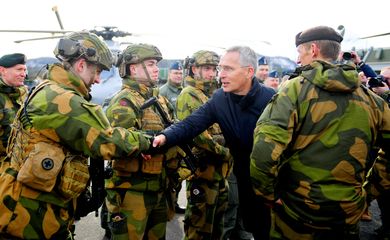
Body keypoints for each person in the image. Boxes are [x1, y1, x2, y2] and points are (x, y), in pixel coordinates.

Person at [0, 31, 151, 239]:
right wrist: (150, 139)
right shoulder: (63, 99)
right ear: (81, 65)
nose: (98, 80)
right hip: (29, 217)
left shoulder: (48, 88)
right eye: (97, 71)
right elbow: (108, 142)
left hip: (33, 208)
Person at [250, 25, 390, 240]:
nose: (298, 60)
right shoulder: (374, 101)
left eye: (300, 52)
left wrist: (267, 193)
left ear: (313, 50)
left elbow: (264, 149)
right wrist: (367, 191)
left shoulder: (294, 90)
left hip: (296, 214)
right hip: (347, 214)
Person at [153, 45, 275, 239]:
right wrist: (164, 137)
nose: (221, 75)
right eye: (220, 68)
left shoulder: (273, 99)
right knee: (255, 229)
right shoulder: (220, 99)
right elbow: (192, 124)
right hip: (245, 183)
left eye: (228, 69)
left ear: (249, 72)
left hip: (274, 188)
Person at [104, 43, 182, 240]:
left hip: (159, 188)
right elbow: (119, 143)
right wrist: (150, 142)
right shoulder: (124, 100)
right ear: (133, 68)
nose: (157, 68)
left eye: (156, 64)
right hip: (132, 193)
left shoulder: (160, 100)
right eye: (151, 63)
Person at [176, 50, 233, 239]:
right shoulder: (190, 94)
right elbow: (197, 135)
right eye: (207, 68)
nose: (212, 73)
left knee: (217, 229)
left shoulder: (213, 95)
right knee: (199, 230)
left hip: (219, 174)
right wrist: (224, 151)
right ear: (194, 69)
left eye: (214, 69)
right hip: (202, 173)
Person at [0, 53, 28, 175]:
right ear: (3, 70)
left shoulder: (25, 96)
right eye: (19, 69)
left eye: (24, 70)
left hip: (22, 165)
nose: (23, 74)